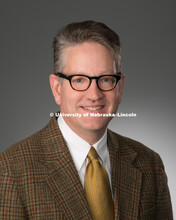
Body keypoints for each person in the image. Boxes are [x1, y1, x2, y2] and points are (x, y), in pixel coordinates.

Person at [0, 20, 173, 220]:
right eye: (79, 80)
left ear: (120, 88)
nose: (94, 94)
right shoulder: (11, 170)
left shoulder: (149, 164)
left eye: (106, 79)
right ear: (57, 89)